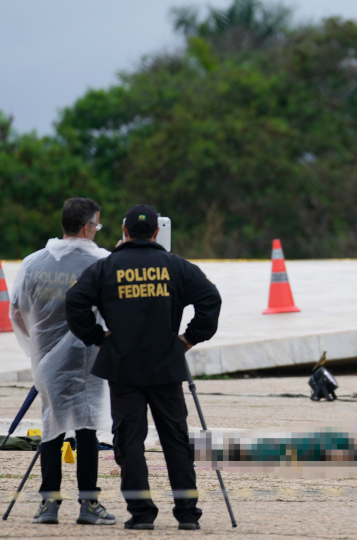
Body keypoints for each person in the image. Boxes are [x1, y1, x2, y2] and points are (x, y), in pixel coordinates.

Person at [65, 205, 222, 531]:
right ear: (155, 233)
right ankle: (188, 515)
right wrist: (188, 340)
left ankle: (141, 513)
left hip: (123, 369)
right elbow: (211, 299)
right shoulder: (175, 266)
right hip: (167, 366)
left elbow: (75, 301)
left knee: (130, 442)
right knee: (176, 441)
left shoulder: (106, 267)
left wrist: (97, 337)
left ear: (124, 232)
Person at [10, 197, 116, 525]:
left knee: (51, 429)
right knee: (86, 429)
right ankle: (88, 504)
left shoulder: (33, 262)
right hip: (91, 357)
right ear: (87, 227)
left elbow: (16, 310)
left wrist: (37, 348)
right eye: (96, 226)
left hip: (47, 362)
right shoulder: (104, 263)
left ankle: (49, 504)